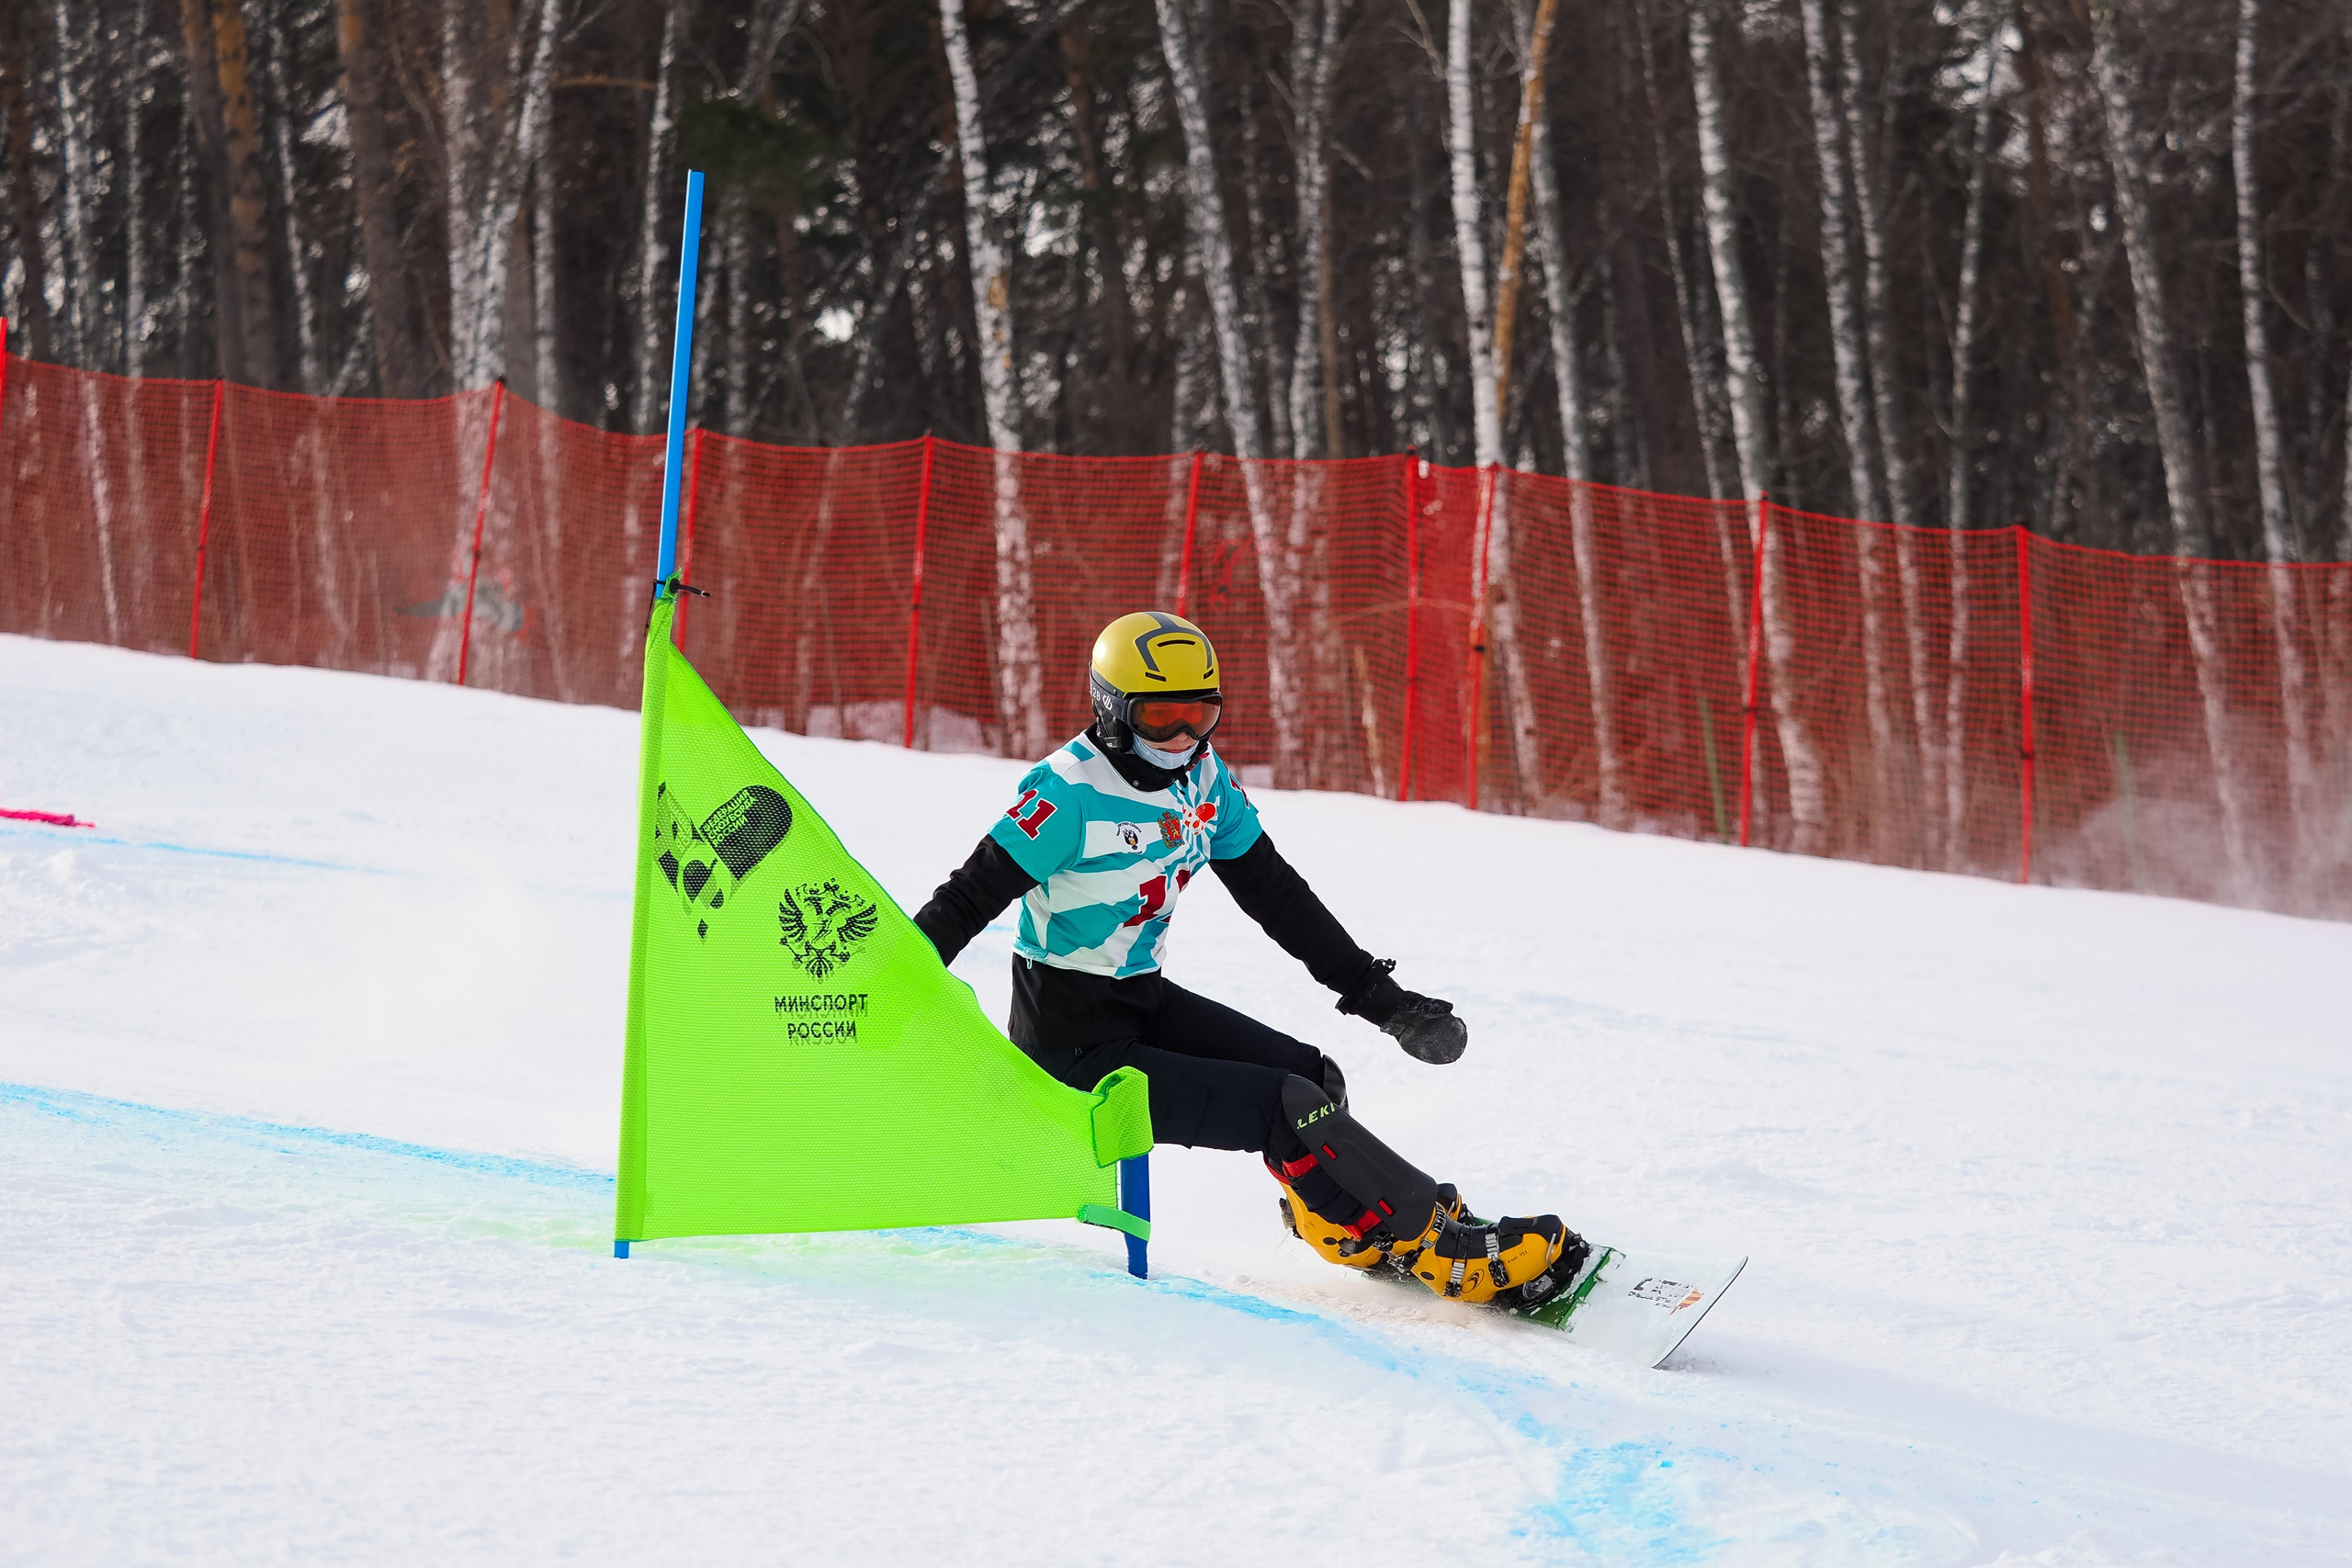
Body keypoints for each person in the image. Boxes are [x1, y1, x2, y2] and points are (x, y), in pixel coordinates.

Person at [913, 611, 1588, 1307]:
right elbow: (964, 900)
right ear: (1112, 709)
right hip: (1070, 1044)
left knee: (1310, 1077)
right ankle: (1438, 1249)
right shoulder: (1066, 795)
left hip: (1139, 1000)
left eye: (1200, 714)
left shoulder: (1200, 781)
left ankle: (1349, 1225)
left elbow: (1276, 894)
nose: (1183, 736)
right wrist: (884, 984)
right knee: (1282, 1105)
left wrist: (1382, 1000)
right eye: (1161, 717)